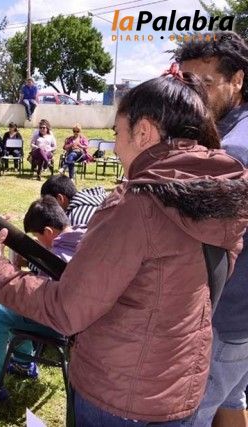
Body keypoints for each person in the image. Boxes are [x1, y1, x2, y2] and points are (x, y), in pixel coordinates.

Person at [0, 72, 248, 425]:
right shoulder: (227, 191)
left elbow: (68, 309)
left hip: (118, 396)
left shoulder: (136, 205)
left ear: (144, 132)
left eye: (118, 133)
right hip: (180, 391)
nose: (117, 146)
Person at [176, 31, 248, 427]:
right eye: (188, 81)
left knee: (191, 414)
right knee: (231, 399)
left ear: (237, 80)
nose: (194, 93)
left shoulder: (232, 152)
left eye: (206, 82)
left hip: (224, 314)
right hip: (239, 318)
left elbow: (198, 242)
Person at [0, 196, 86, 401]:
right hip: (82, 322)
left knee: (0, 315)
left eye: (37, 237)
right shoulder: (85, 236)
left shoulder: (56, 256)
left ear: (48, 232)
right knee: (15, 313)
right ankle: (23, 363)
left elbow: (37, 303)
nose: (37, 241)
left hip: (61, 324)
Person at [40, 174, 107, 227]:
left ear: (60, 199)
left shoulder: (75, 220)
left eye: (48, 204)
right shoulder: (98, 198)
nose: (47, 209)